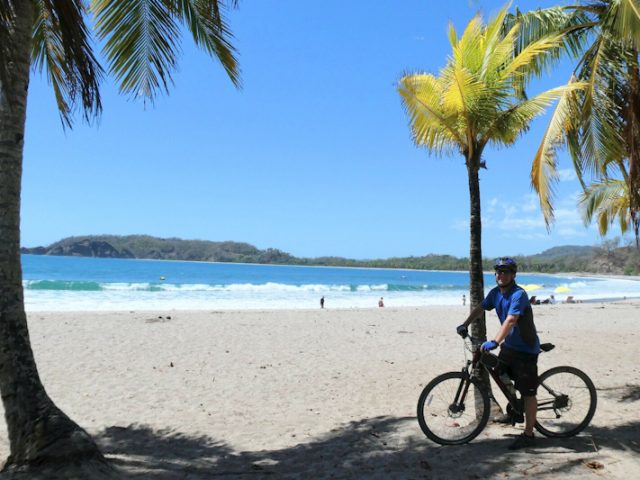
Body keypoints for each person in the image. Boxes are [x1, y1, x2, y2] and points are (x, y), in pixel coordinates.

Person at [456, 257, 540, 451]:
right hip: (510, 347)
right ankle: (515, 409)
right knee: (499, 371)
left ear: (513, 275)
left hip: (526, 350)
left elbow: (511, 320)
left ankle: (529, 434)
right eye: (499, 272)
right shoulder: (495, 293)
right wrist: (465, 324)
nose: (501, 275)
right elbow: (480, 308)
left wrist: (494, 341)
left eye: (506, 272)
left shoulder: (519, 294)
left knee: (529, 393)